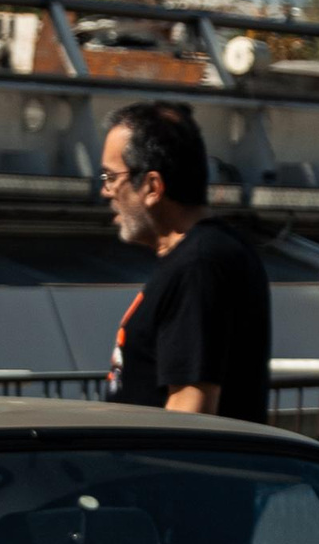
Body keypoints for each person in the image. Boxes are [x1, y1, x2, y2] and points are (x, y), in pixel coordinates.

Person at [100, 102, 271, 423]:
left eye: (111, 176)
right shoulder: (205, 254)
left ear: (152, 187)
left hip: (171, 471)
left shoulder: (199, 264)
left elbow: (191, 408)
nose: (105, 190)